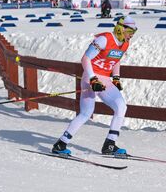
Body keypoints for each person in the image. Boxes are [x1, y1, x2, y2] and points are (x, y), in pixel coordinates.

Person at [52, 16, 138, 156]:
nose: (131, 35)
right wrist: (92, 79)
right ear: (120, 28)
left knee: (121, 106)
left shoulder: (125, 43)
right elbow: (85, 59)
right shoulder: (104, 39)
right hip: (90, 77)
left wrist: (115, 77)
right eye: (129, 32)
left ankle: (109, 145)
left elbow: (115, 60)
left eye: (133, 33)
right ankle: (60, 144)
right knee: (86, 113)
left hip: (105, 79)